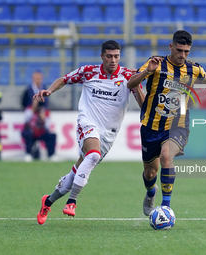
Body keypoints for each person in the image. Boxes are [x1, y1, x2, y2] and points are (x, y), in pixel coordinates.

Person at [34, 40, 144, 225]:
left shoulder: (128, 76)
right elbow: (64, 79)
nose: (113, 60)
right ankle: (72, 202)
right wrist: (49, 91)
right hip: (88, 122)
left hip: (109, 133)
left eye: (116, 56)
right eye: (109, 56)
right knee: (92, 156)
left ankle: (48, 201)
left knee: (77, 171)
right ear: (102, 56)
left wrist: (138, 81)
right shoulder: (88, 71)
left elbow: (143, 105)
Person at [127, 30, 206, 216]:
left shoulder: (194, 69)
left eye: (186, 52)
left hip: (177, 125)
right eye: (179, 50)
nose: (182, 55)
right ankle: (151, 193)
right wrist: (147, 71)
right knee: (150, 173)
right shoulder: (156, 64)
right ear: (171, 46)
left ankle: (166, 207)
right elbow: (130, 83)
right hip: (151, 126)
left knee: (166, 156)